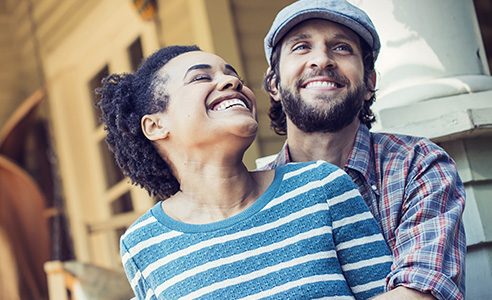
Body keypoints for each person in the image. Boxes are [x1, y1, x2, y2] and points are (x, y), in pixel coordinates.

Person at [98, 45, 392, 299]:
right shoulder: (143, 245)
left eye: (233, 75)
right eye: (201, 77)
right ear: (155, 125)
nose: (231, 82)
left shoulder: (321, 187)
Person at [260, 1, 466, 299]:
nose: (322, 60)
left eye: (342, 48)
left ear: (370, 82)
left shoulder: (418, 165)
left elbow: (422, 293)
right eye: (302, 47)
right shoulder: (255, 193)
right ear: (274, 83)